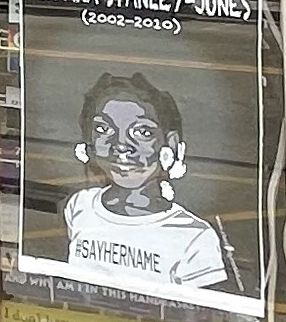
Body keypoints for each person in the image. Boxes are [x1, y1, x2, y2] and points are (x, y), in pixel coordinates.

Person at [59, 68, 234, 297]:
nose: (121, 145)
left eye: (142, 132)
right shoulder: (80, 205)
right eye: (103, 129)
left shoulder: (194, 237)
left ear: (170, 144)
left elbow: (204, 310)